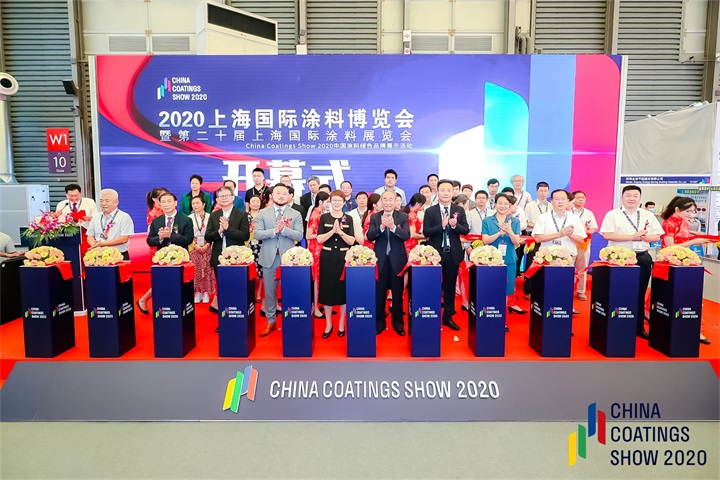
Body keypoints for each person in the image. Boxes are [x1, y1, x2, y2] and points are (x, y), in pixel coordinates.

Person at [599, 185, 663, 340]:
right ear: (622, 197)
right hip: (619, 259)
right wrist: (632, 237)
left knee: (640, 292)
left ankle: (638, 327)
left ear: (640, 198)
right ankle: (615, 325)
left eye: (635, 196)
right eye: (628, 195)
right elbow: (607, 235)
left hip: (642, 257)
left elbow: (657, 236)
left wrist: (644, 237)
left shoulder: (647, 215)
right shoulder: (613, 214)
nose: (631, 199)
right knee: (617, 292)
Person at [659, 196, 712, 345]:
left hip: (684, 261)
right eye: (688, 211)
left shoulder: (685, 222)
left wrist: (695, 237)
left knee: (689, 295)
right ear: (677, 209)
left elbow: (683, 239)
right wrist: (694, 241)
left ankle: (691, 325)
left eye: (693, 211)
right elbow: (670, 247)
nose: (691, 214)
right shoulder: (668, 224)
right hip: (670, 263)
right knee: (668, 295)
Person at [253, 183, 304, 336]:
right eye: (278, 193)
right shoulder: (263, 213)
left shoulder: (295, 214)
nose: (281, 196)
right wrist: (274, 231)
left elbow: (299, 235)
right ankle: (271, 321)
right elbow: (257, 234)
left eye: (284, 193)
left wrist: (285, 230)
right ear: (272, 196)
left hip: (288, 260)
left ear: (289, 196)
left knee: (290, 292)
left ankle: (291, 321)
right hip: (269, 259)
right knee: (269, 293)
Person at [423, 179, 470, 331]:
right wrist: (441, 226)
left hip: (453, 253)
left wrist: (455, 226)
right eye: (442, 190)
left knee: (450, 286)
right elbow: (426, 232)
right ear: (437, 192)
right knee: (433, 285)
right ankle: (432, 313)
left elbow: (465, 230)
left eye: (449, 190)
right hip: (435, 254)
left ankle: (448, 316)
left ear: (453, 192)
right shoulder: (430, 211)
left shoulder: (459, 210)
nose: (445, 193)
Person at [138, 192, 194, 315]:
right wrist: (160, 238)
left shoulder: (186, 220)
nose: (166, 204)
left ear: (175, 203)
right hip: (162, 260)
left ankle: (180, 312)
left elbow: (188, 239)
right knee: (163, 286)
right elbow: (150, 241)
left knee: (180, 289)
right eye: (163, 202)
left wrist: (171, 235)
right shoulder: (156, 221)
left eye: (169, 201)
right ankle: (165, 311)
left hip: (181, 261)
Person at [367, 191, 410, 335]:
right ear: (381, 201)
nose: (387, 202)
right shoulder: (375, 217)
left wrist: (393, 227)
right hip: (380, 261)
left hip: (397, 261)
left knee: (397, 294)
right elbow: (369, 236)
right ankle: (379, 323)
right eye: (385, 199)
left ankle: (398, 323)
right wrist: (381, 227)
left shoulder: (403, 216)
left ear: (396, 201)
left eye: (390, 199)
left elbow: (406, 235)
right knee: (379, 294)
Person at [316, 191, 356, 337]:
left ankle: (341, 323)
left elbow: (351, 241)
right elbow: (319, 239)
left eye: (340, 200)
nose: (337, 203)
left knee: (343, 291)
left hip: (343, 258)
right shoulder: (324, 217)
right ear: (330, 202)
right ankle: (328, 323)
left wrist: (340, 232)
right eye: (334, 200)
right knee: (327, 291)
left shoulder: (348, 218)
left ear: (344, 202)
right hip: (327, 258)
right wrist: (332, 231)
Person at [205, 186, 250, 316]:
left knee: (236, 288)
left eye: (227, 195)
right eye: (221, 196)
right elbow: (208, 237)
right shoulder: (214, 215)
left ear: (233, 197)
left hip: (237, 258)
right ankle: (224, 318)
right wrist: (219, 231)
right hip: (218, 257)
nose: (224, 198)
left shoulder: (242, 214)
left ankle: (237, 315)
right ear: (217, 199)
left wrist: (228, 228)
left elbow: (245, 236)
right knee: (222, 288)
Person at [482, 193, 525, 317]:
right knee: (490, 288)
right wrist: (499, 233)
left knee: (506, 289)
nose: (502, 206)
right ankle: (489, 315)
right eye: (500, 203)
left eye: (506, 203)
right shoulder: (487, 221)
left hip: (509, 260)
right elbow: (485, 240)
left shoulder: (515, 221)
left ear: (510, 206)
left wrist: (509, 230)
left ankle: (501, 318)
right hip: (490, 260)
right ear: (495, 205)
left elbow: (516, 242)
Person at [137, 187, 167, 313]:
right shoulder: (153, 213)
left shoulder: (167, 211)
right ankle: (143, 300)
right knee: (161, 279)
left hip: (168, 247)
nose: (165, 200)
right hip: (158, 249)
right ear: (154, 199)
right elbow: (150, 235)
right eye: (162, 197)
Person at [86, 188, 135, 260]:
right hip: (99, 256)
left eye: (107, 201)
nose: (103, 204)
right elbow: (90, 236)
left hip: (118, 255)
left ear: (116, 202)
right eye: (101, 201)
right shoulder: (96, 217)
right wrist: (95, 245)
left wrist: (103, 244)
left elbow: (124, 239)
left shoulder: (124, 217)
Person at [522, 181, 551, 296]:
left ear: (548, 192)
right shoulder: (530, 206)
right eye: (541, 191)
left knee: (547, 261)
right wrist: (539, 226)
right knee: (531, 263)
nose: (543, 193)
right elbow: (526, 223)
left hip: (548, 238)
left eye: (545, 191)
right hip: (533, 238)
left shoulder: (551, 206)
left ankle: (543, 290)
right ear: (536, 191)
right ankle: (528, 290)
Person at [306, 191, 331, 318]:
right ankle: (315, 308)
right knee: (316, 279)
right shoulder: (315, 215)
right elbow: (308, 235)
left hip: (321, 248)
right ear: (321, 202)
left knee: (320, 279)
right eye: (327, 202)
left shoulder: (321, 213)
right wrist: (325, 234)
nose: (329, 204)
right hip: (316, 249)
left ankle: (319, 305)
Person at [571, 190, 598, 301]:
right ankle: (566, 289)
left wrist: (585, 232)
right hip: (570, 242)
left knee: (582, 268)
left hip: (584, 243)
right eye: (578, 197)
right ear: (573, 199)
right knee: (567, 266)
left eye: (583, 197)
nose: (581, 199)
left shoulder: (588, 213)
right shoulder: (568, 211)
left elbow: (594, 228)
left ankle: (580, 291)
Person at [187, 195, 213, 304]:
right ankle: (197, 292)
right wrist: (195, 245)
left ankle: (206, 292)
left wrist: (208, 245)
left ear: (204, 204)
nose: (195, 205)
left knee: (207, 269)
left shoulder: (210, 217)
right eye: (193, 203)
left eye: (198, 203)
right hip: (194, 246)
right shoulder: (189, 218)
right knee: (196, 270)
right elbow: (188, 234)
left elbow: (213, 232)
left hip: (208, 245)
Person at [246, 194, 264, 303]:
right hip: (248, 246)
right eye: (253, 201)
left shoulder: (264, 215)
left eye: (258, 201)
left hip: (262, 245)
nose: (256, 203)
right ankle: (251, 291)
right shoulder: (245, 216)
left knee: (261, 269)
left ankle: (259, 292)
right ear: (249, 203)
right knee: (251, 268)